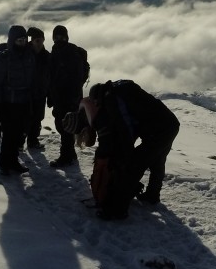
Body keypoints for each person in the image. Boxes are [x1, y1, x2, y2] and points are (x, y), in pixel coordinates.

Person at [81, 80, 180, 219]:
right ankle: (152, 196)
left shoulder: (112, 99)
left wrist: (126, 154)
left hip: (158, 131)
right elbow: (134, 117)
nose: (98, 106)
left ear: (99, 97)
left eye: (97, 103)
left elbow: (125, 126)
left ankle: (116, 211)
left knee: (133, 167)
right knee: (157, 161)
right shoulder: (120, 87)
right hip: (170, 124)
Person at [0, 25, 37, 176]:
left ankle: (14, 161)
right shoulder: (4, 58)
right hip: (8, 103)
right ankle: (5, 163)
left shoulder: (29, 56)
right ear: (12, 41)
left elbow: (33, 78)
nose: (22, 43)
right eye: (19, 40)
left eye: (24, 40)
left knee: (19, 134)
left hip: (24, 101)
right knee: (9, 134)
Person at [46, 24, 89, 168]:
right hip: (63, 97)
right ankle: (70, 154)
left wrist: (69, 97)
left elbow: (75, 78)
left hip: (67, 98)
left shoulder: (70, 53)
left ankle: (66, 157)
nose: (59, 39)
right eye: (56, 37)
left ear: (66, 37)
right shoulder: (58, 51)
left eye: (61, 36)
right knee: (64, 126)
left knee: (64, 126)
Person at [25, 26, 50, 150]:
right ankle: (20, 142)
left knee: (38, 118)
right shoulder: (24, 54)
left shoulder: (47, 56)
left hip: (40, 93)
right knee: (25, 118)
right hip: (26, 93)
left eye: (41, 40)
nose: (39, 43)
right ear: (32, 40)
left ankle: (32, 141)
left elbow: (50, 75)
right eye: (37, 41)